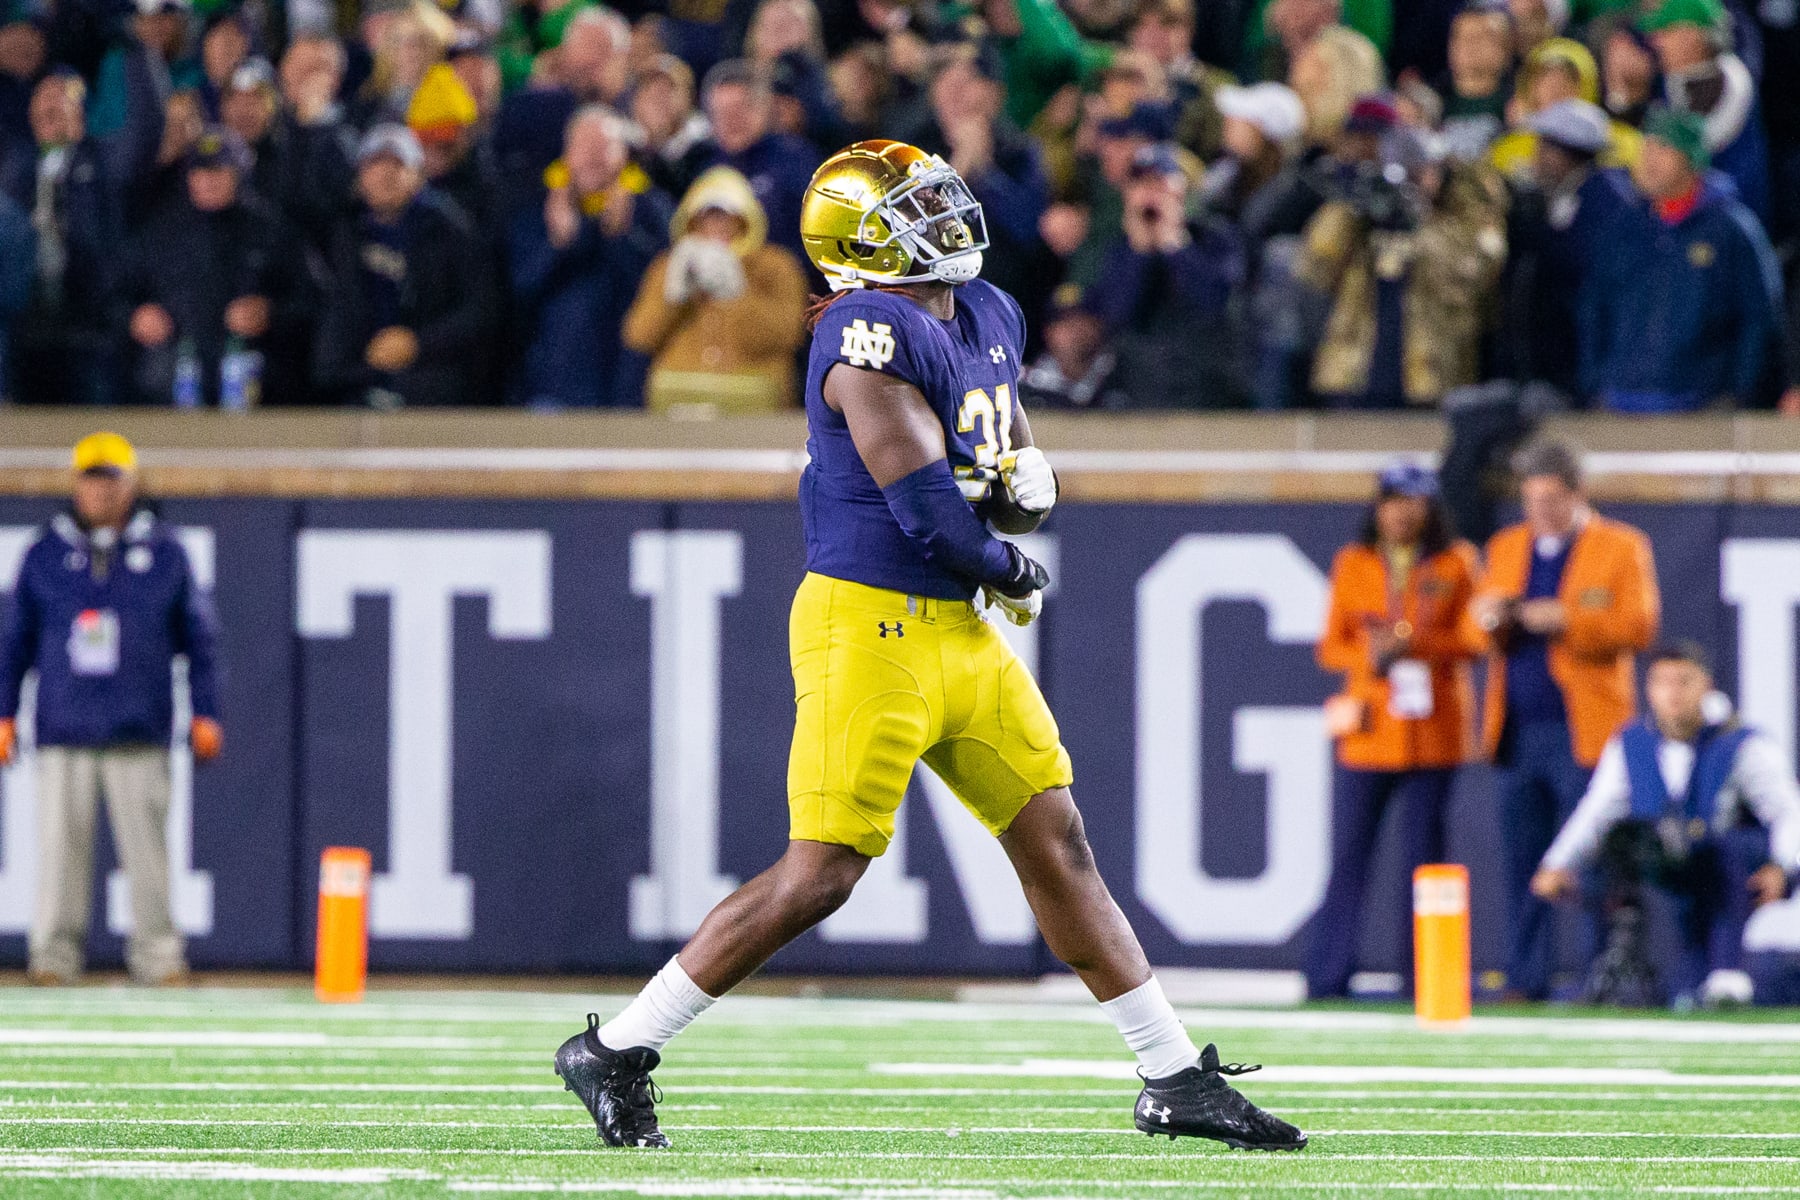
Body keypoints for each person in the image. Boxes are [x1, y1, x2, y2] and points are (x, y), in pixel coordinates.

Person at [551, 139, 1307, 1154]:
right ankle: (619, 1048)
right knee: (822, 872)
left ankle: (1171, 1075)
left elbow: (996, 474)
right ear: (860, 240)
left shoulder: (988, 310)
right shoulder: (862, 326)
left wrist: (1015, 505)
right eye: (914, 206)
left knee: (1057, 838)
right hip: (868, 624)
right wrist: (1010, 562)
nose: (943, 217)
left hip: (957, 629)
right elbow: (924, 510)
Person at [0, 432, 222, 986]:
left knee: (148, 857)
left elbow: (200, 639)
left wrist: (205, 710)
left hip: (137, 728)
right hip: (64, 727)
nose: (100, 490)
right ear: (75, 482)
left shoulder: (164, 551)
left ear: (131, 482)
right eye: (91, 477)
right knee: (58, 858)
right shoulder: (45, 552)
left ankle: (159, 956)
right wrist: (3, 711)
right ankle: (53, 958)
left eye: (111, 477)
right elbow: (13, 638)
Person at [1468, 439, 1660, 1001]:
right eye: (1532, 499)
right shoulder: (1506, 547)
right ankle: (1526, 978)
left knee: (1594, 859)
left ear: (1577, 494)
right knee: (1523, 863)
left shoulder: (1620, 545)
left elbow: (1638, 626)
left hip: (1588, 732)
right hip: (1518, 731)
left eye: (1552, 498)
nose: (1541, 511)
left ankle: (1601, 976)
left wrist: (1566, 620)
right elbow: (1477, 631)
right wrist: (1491, 619)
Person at [1532, 641, 1800, 1007]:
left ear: (1705, 686)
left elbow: (1788, 810)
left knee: (1728, 848)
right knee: (1613, 847)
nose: (1673, 693)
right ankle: (1606, 970)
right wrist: (1558, 863)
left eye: (1684, 682)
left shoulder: (1741, 743)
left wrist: (1783, 867)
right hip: (1670, 866)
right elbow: (1597, 810)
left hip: (1732, 871)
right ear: (1649, 689)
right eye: (1663, 682)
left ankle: (1729, 972)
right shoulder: (1632, 742)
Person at [1309, 463, 1480, 999]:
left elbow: (1473, 640)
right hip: (1369, 730)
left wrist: (1418, 646)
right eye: (1393, 500)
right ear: (1378, 508)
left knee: (1425, 859)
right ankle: (1328, 974)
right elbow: (1329, 646)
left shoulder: (1458, 562)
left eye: (1414, 501)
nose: (1403, 512)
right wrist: (1370, 654)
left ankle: (1424, 977)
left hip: (1433, 732)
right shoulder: (1354, 562)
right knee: (1350, 855)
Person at [1579, 106, 1784, 414]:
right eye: (1646, 146)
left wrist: (1739, 392)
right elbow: (1594, 307)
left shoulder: (1731, 229)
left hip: (1700, 404)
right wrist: (1595, 383)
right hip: (1621, 401)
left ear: (1691, 157)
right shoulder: (1623, 228)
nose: (1649, 158)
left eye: (1663, 147)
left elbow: (1758, 316)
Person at [1297, 123, 1508, 408]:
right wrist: (1349, 205)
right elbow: (1314, 268)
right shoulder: (1365, 221)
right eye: (1399, 170)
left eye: (1418, 170)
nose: (1409, 180)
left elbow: (1475, 272)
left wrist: (1416, 221)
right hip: (1355, 375)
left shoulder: (1463, 218)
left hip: (1429, 378)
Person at [120, 126, 313, 407]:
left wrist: (270, 312)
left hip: (254, 390)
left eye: (219, 170)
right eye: (200, 171)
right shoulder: (162, 232)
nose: (208, 181)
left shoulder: (272, 230)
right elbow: (114, 295)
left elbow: (312, 301)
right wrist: (134, 316)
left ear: (240, 173)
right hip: (172, 388)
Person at [314, 124, 498, 407]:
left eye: (398, 163)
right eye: (375, 162)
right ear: (361, 176)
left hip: (430, 382)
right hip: (358, 377)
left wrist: (417, 344)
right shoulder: (345, 232)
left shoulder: (450, 228)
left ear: (418, 175)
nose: (386, 173)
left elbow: (480, 312)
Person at [509, 105, 670, 407]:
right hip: (554, 387)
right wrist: (559, 245)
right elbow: (519, 293)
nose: (593, 156)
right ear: (566, 152)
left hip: (630, 388)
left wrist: (622, 238)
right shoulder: (537, 209)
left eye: (604, 146)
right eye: (584, 145)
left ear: (624, 154)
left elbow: (663, 295)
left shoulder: (652, 209)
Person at [622, 165, 808, 414]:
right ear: (691, 220)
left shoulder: (775, 266)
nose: (717, 225)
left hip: (754, 402)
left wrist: (737, 294)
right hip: (678, 403)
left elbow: (788, 335)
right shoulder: (669, 264)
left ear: (745, 218)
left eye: (726, 215)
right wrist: (674, 295)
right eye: (707, 216)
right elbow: (639, 336)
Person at [1084, 141, 1244, 408]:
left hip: (1208, 393)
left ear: (1181, 191)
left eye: (1159, 185)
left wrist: (1174, 245)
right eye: (1141, 185)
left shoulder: (1216, 238)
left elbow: (1212, 306)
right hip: (1140, 395)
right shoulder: (1118, 250)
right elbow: (1116, 317)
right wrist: (1140, 252)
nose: (1151, 196)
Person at [1, 70, 123, 406]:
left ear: (80, 111)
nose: (46, 109)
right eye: (40, 102)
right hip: (27, 327)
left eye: (58, 101)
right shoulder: (17, 168)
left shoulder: (102, 162)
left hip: (87, 326)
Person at [1497, 99, 1631, 397]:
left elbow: (1586, 275)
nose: (1536, 156)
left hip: (1583, 358)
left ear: (1569, 153)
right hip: (1563, 355)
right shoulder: (1568, 195)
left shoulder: (1604, 200)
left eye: (1546, 147)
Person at [1640, 0, 1767, 221]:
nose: (1656, 41)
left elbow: (1695, 156)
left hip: (1726, 221)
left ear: (1692, 35)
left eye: (1666, 31)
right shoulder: (1672, 82)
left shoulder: (1727, 82)